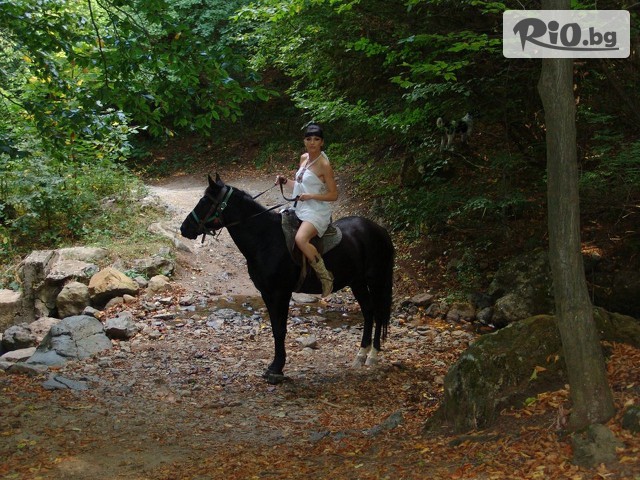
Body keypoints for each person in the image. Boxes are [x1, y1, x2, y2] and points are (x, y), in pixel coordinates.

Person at [275, 122, 338, 297]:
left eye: (316, 139)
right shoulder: (304, 158)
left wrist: (311, 196)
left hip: (316, 210)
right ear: (304, 141)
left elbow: (334, 195)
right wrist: (284, 181)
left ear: (322, 142)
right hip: (299, 206)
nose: (312, 142)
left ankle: (326, 277)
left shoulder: (324, 164)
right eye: (309, 139)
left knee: (301, 239)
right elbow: (299, 185)